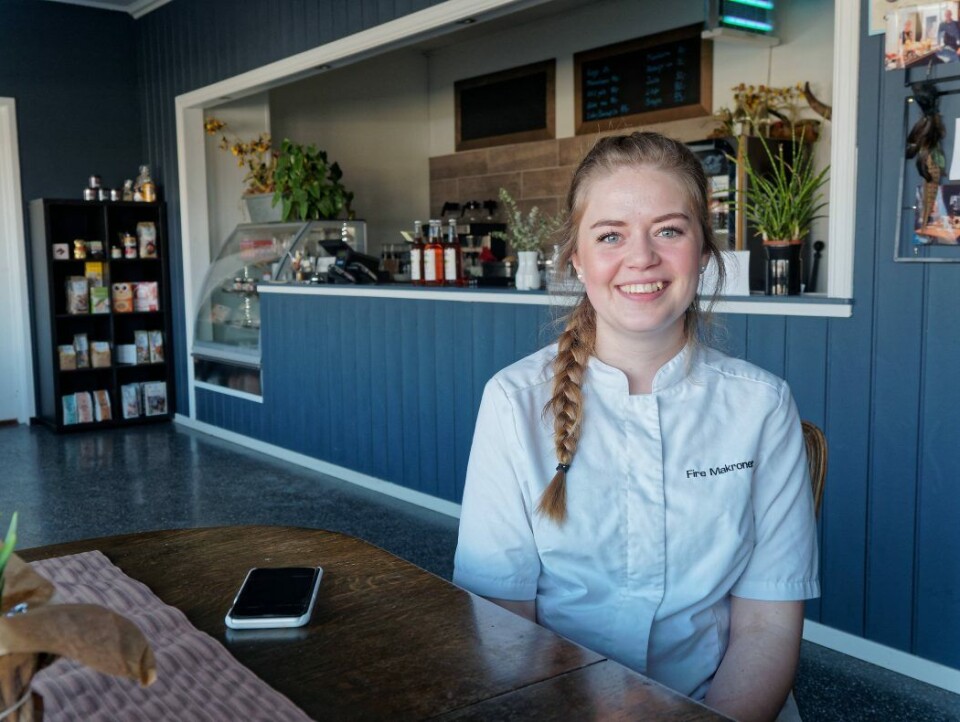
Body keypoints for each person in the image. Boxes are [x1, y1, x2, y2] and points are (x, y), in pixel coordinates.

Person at [453, 132, 819, 722]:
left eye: (669, 230)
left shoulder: (762, 406)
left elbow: (766, 625)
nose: (642, 257)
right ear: (577, 257)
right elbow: (501, 619)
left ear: (703, 253)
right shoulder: (512, 402)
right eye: (610, 236)